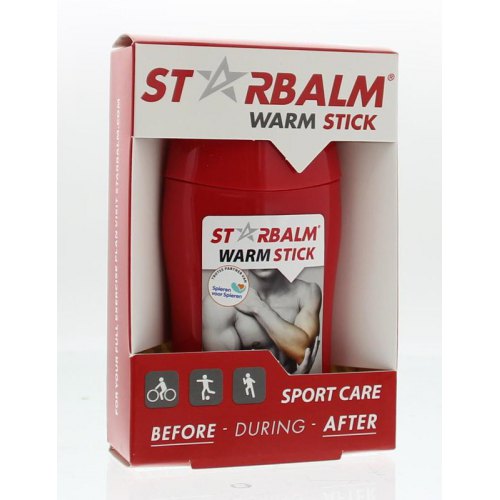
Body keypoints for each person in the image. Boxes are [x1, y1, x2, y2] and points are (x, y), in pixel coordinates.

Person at [203, 269, 321, 373]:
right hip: (251, 390)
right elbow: (223, 374)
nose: (264, 258)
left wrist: (259, 307)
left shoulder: (307, 292)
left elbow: (303, 353)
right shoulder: (218, 305)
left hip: (294, 389)